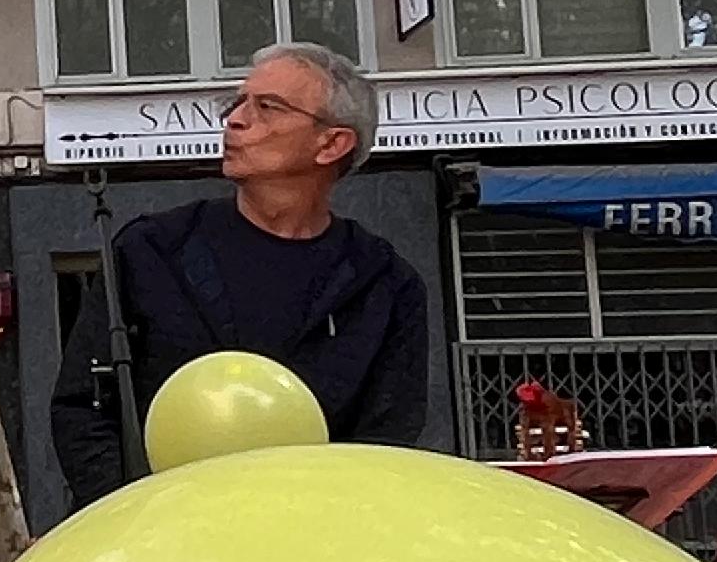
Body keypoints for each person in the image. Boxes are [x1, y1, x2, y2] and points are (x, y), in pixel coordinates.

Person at [50, 41, 432, 506]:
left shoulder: (384, 284)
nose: (235, 120)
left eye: (268, 107)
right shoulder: (151, 251)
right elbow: (83, 409)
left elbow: (387, 442)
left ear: (332, 144)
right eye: (237, 104)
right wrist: (136, 512)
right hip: (164, 532)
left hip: (313, 530)